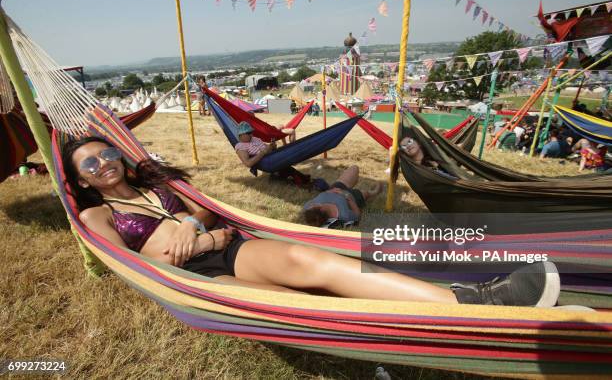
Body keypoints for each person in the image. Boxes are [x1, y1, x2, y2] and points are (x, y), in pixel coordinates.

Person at [62, 136, 562, 307]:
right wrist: (190, 238)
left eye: (107, 153)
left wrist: (197, 228)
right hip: (186, 282)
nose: (103, 163)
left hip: (224, 248)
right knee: (290, 304)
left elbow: (204, 219)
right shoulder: (96, 212)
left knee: (313, 258)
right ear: (82, 180)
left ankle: (476, 301)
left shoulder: (159, 189)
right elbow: (133, 260)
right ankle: (417, 330)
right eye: (90, 164)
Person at [235, 121, 310, 187]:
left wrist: (272, 146)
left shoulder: (255, 139)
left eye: (251, 132)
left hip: (271, 156)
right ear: (241, 135)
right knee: (283, 161)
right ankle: (299, 178)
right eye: (248, 133)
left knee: (286, 157)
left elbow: (266, 147)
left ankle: (292, 177)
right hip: (265, 162)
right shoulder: (240, 146)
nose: (251, 135)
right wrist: (264, 151)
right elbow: (248, 163)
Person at [303, 166, 382, 227]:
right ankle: (374, 192)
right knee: (367, 194)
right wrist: (348, 198)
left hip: (338, 187)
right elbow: (358, 215)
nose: (312, 204)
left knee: (354, 168)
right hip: (352, 197)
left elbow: (312, 205)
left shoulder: (307, 208)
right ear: (321, 208)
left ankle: (352, 184)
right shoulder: (344, 215)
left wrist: (329, 191)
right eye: (314, 205)